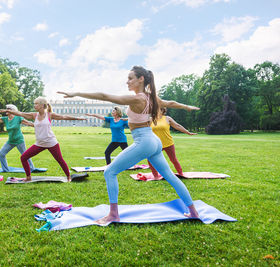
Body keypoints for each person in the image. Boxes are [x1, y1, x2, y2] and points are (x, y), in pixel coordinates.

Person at [58, 66, 199, 225]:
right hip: (153, 140)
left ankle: (113, 215)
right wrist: (187, 107)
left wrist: (76, 93)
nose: (127, 81)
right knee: (171, 177)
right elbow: (170, 102)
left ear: (141, 79)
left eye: (130, 78)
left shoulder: (138, 99)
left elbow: (104, 96)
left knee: (110, 172)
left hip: (144, 141)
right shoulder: (151, 97)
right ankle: (193, 211)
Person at [0, 97, 86, 182]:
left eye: (36, 104)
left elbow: (64, 117)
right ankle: (28, 177)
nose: (34, 106)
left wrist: (78, 118)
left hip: (51, 143)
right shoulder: (34, 115)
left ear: (42, 105)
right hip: (39, 144)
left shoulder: (50, 115)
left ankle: (68, 177)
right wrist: (7, 111)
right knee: (23, 157)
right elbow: (20, 113)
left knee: (60, 160)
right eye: (34, 104)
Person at [147, 107, 197, 179]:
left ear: (162, 110)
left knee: (173, 159)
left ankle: (180, 174)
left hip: (168, 143)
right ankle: (155, 176)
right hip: (155, 144)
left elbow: (177, 126)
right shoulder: (150, 119)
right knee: (151, 159)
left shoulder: (167, 118)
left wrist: (187, 132)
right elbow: (143, 128)